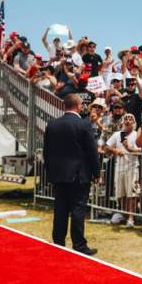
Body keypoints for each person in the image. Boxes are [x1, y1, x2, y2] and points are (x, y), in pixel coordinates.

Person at [41, 93, 99, 256]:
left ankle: (58, 242)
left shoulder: (52, 125)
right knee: (78, 210)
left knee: (60, 209)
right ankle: (79, 245)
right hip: (79, 175)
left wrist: (50, 174)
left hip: (59, 175)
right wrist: (96, 173)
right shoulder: (84, 125)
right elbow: (92, 152)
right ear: (79, 106)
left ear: (64, 106)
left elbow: (47, 152)